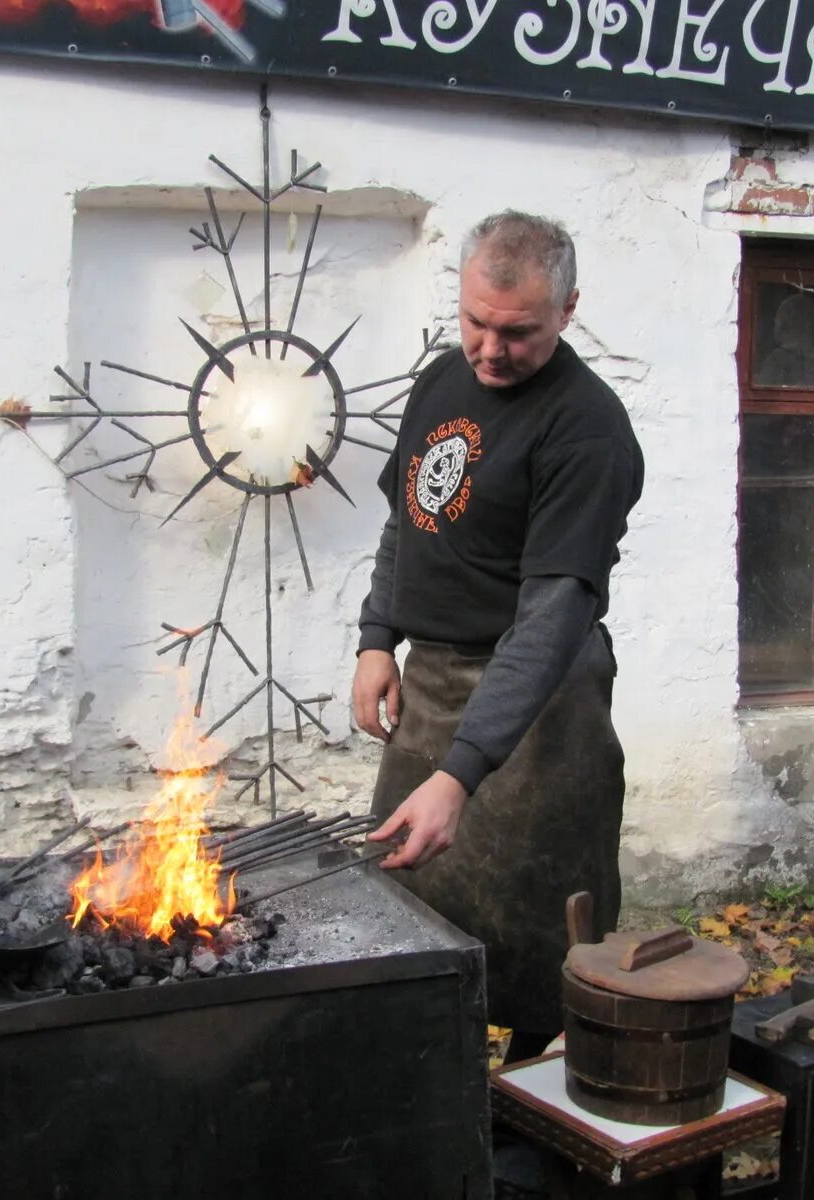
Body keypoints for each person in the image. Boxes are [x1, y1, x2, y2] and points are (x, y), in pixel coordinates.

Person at [353, 211, 644, 1060]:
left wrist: (462, 773)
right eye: (476, 322)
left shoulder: (587, 430)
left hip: (542, 700)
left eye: (516, 333)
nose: (489, 349)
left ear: (567, 309)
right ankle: (425, 1096)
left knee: (537, 932)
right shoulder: (441, 379)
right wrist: (379, 636)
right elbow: (409, 521)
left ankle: (530, 1115)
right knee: (407, 905)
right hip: (435, 679)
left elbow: (553, 619)